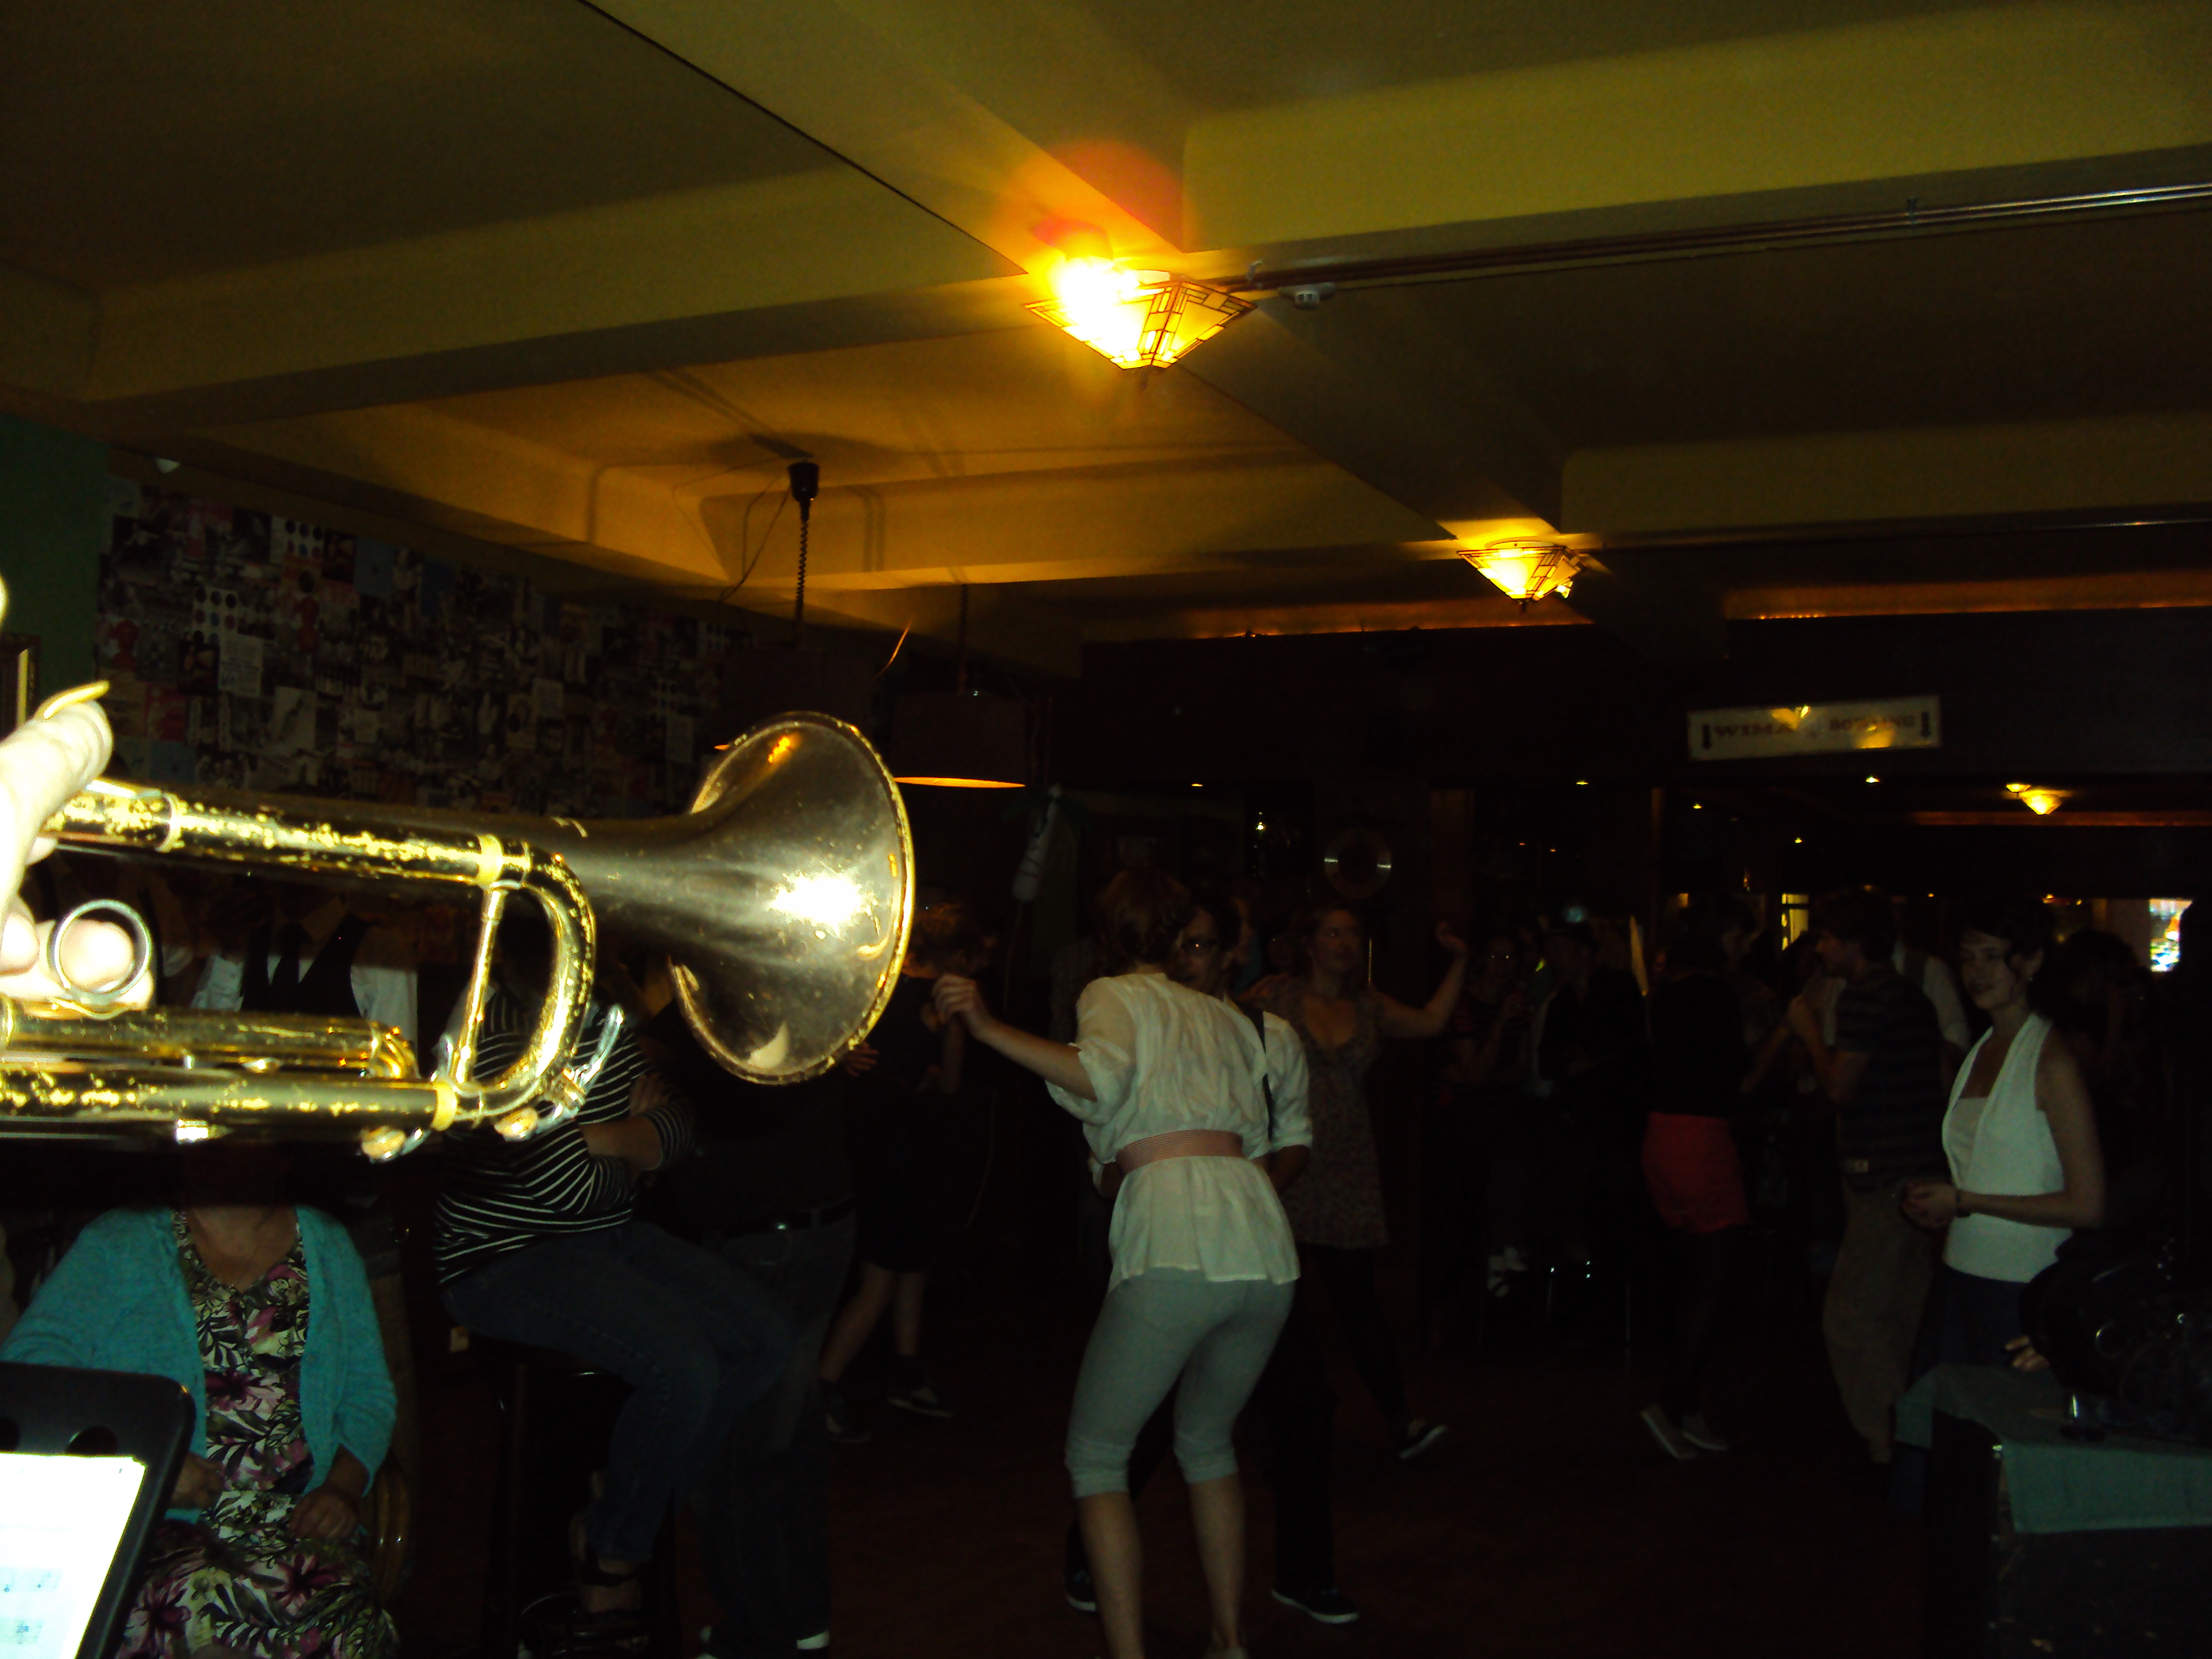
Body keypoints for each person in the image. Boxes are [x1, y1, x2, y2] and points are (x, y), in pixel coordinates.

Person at [937, 870, 1299, 1659]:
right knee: (1208, 1442)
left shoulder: (1111, 994)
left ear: (1108, 936)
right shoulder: (1227, 1018)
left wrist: (988, 1027)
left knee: (1097, 1458)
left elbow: (1096, 1079)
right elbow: (1244, 1142)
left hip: (1177, 1241)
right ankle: (1229, 1641)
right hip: (1264, 1246)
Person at [434, 912, 791, 1629]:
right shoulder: (498, 1040)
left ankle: (623, 1503)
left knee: (768, 1341)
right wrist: (633, 1149)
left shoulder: (601, 1023)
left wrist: (601, 1142)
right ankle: (613, 1555)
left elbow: (681, 1130)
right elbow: (568, 1186)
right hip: (503, 1258)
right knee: (685, 1368)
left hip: (605, 1237)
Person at [1064, 885, 1358, 1628]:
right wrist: (1171, 1173)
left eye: (1197, 944)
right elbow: (1107, 1160)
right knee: (1163, 1433)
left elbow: (1293, 1138)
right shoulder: (1143, 1014)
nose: (1181, 956)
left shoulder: (1260, 1033)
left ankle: (1293, 1582)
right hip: (1196, 1241)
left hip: (1245, 1247)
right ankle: (1101, 1569)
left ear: (1233, 953)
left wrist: (1232, 1191)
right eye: (1174, 941)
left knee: (1286, 1415)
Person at [3, 1146, 398, 1658]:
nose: (212, 1148)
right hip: (159, 1527)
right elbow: (31, 1370)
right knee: (200, 1611)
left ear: (282, 1153)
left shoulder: (326, 1243)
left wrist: (341, 1490)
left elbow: (370, 1396)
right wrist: (151, 1467)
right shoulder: (124, 1239)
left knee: (349, 1625)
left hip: (295, 1527)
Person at [647, 958, 855, 1659]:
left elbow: (646, 1060)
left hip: (764, 1244)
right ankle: (801, 1617)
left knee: (735, 1453)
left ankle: (757, 1638)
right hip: (820, 1227)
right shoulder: (797, 978)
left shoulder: (716, 995)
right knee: (790, 1435)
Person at [1247, 902, 1467, 1458]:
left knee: (1358, 1302)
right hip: (1286, 1157)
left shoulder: (1370, 1005)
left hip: (1346, 1162)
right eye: (1332, 933)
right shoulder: (1274, 997)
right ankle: (1278, 1422)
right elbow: (1215, 1024)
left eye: (1351, 934)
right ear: (1309, 942)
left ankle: (1401, 1423)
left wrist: (1460, 963)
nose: (1344, 943)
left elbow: (1431, 1022)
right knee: (1275, 1302)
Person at [1902, 899, 2106, 1364]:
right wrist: (1945, 1200)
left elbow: (2088, 1205)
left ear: (2032, 962)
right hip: (1961, 1270)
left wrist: (1965, 1201)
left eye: (1992, 956)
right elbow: (1991, 1167)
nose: (1976, 971)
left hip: (2022, 1283)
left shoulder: (2052, 1061)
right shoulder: (1983, 1048)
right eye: (1968, 957)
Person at [1786, 886, 1947, 1466]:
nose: (1819, 949)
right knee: (1901, 1316)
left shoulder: (1863, 998)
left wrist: (1807, 1029)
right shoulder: (1909, 995)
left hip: (1884, 1176)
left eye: (1827, 938)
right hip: (1921, 1169)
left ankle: (1889, 1440)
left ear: (1854, 943)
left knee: (1850, 1315)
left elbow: (1838, 1087)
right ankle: (1914, 1438)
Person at [815, 900, 982, 1437]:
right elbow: (949, 1082)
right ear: (958, 957)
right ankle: (819, 1393)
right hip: (896, 1152)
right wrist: (951, 1035)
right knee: (882, 1277)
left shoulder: (875, 985)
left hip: (867, 1146)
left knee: (909, 1263)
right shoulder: (933, 1000)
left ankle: (905, 1371)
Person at [1638, 900, 1754, 1460]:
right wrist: (1785, 1034)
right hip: (1699, 1138)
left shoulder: (1670, 992)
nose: (1745, 947)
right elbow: (1738, 1080)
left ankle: (1684, 1406)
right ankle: (1672, 1403)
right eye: (1739, 936)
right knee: (1712, 1279)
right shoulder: (1713, 994)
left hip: (1662, 1134)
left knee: (1688, 1275)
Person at [1421, 925, 1532, 1338]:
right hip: (1457, 1113)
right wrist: (1499, 1028)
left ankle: (1511, 1248)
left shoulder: (1518, 1004)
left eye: (1510, 958)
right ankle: (1499, 1248)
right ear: (1482, 960)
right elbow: (1474, 1072)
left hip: (1499, 1106)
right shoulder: (1464, 1005)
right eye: (1495, 956)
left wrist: (1482, 1076)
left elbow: (1520, 1070)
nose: (1502, 966)